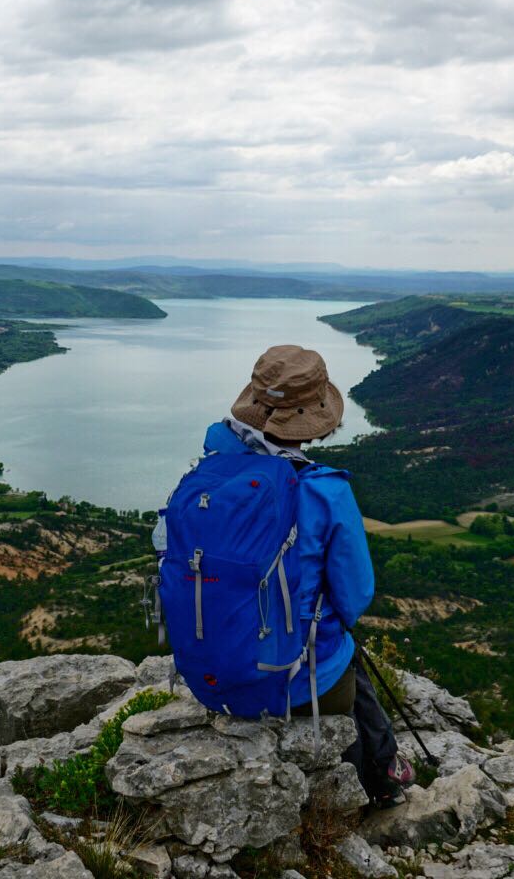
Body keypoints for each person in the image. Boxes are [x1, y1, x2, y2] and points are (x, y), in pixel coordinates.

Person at [153, 343, 414, 805]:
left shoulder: (207, 474)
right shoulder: (324, 490)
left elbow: (163, 547)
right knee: (345, 654)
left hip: (208, 675)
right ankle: (382, 781)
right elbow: (356, 597)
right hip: (292, 683)